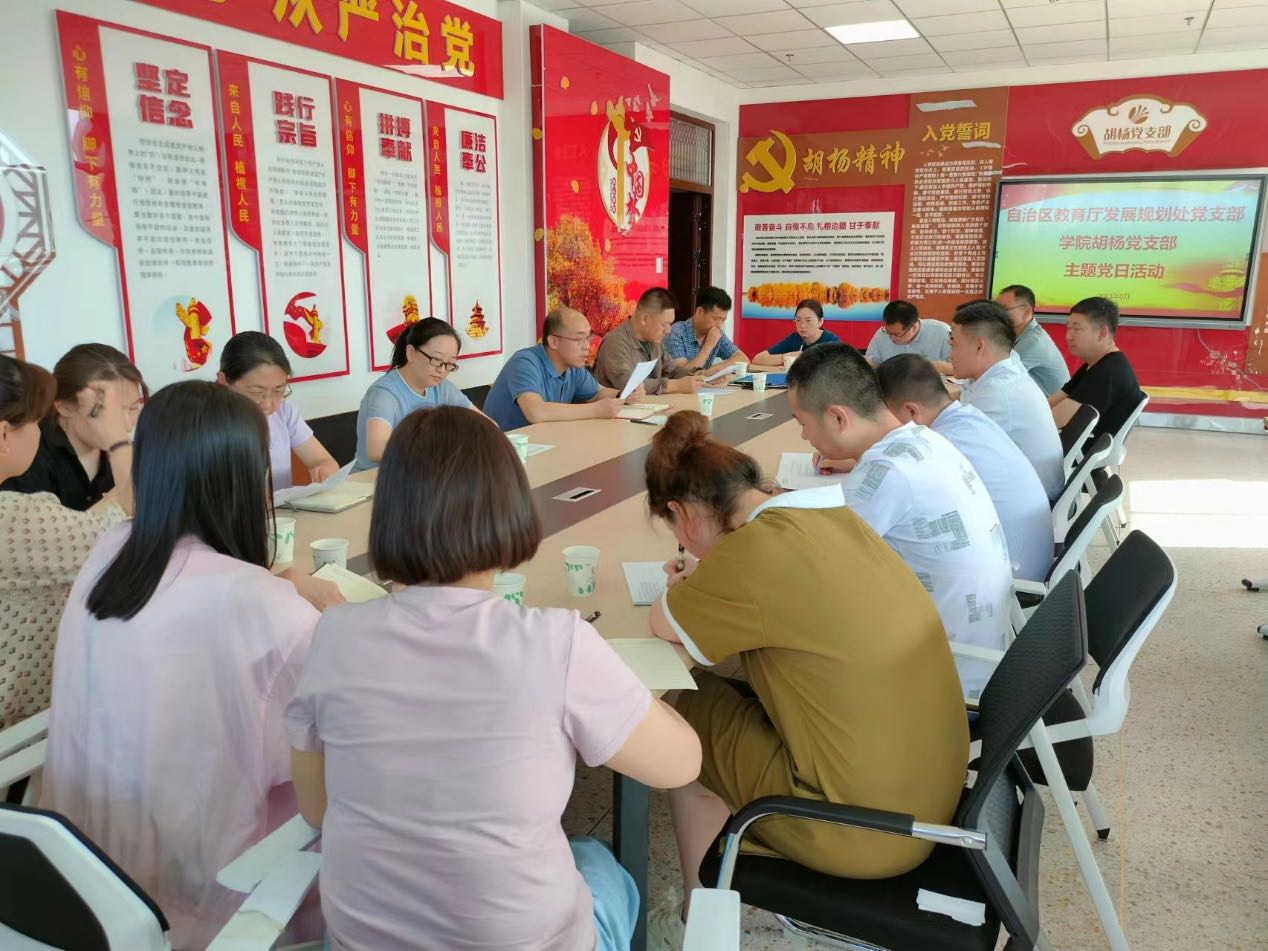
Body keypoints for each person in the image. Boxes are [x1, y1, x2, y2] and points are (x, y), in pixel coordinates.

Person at [284, 406, 701, 951]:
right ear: (511, 506)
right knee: (599, 862)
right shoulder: (557, 643)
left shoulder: (334, 635)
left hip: (359, 941)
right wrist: (618, 686)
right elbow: (679, 764)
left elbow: (317, 810)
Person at [643, 411, 968, 942]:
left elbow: (663, 622)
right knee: (727, 687)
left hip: (862, 833)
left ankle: (695, 925)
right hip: (933, 798)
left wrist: (687, 584)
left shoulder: (749, 554)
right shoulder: (831, 517)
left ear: (681, 514)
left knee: (676, 708)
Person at [41, 381, 323, 949]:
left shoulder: (111, 550)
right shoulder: (258, 605)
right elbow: (330, 748)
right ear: (242, 478)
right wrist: (330, 620)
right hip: (208, 900)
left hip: (83, 877)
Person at [786, 343, 1012, 700]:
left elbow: (809, 568)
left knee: (784, 631)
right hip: (981, 659)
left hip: (944, 685)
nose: (803, 435)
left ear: (838, 418)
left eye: (803, 423)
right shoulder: (924, 438)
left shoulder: (887, 470)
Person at [0, 356, 134, 729]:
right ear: (4, 435)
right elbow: (129, 516)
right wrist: (117, 439)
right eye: (34, 421)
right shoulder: (14, 517)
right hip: (21, 724)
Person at [876, 354, 1054, 582]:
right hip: (1029, 558)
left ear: (911, 411)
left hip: (1013, 578)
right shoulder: (967, 417)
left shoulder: (939, 444)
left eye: (883, 416)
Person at [1, 343, 145, 510]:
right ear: (64, 406)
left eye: (133, 408)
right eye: (109, 411)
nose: (127, 424)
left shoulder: (132, 452)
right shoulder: (25, 455)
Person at [951, 301, 1064, 500]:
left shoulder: (997, 393)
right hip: (1027, 490)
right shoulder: (1005, 368)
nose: (950, 355)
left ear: (979, 346)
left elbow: (952, 453)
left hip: (1031, 501)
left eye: (953, 345)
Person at [483, 307, 645, 430]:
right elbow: (535, 412)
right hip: (501, 450)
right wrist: (595, 410)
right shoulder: (525, 362)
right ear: (554, 342)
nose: (587, 346)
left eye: (588, 338)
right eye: (579, 339)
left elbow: (597, 393)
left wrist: (623, 395)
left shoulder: (573, 366)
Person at [218, 331, 339, 489]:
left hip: (282, 505)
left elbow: (323, 461)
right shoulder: (205, 423)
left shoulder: (284, 411)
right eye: (256, 393)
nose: (269, 405)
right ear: (223, 381)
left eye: (278, 391)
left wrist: (325, 471)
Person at [353, 317, 478, 471]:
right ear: (411, 353)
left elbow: (486, 425)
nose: (442, 370)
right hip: (374, 480)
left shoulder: (442, 387)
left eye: (450, 364)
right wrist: (437, 456)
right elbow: (376, 449)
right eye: (437, 359)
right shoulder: (385, 393)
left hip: (426, 476)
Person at [1049, 296, 1144, 439]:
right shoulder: (1094, 363)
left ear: (1102, 333)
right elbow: (1053, 401)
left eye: (1077, 328)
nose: (1069, 336)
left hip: (1084, 448)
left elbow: (1053, 420)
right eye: (1068, 328)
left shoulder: (1108, 372)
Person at [593, 287, 702, 396]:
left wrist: (697, 374)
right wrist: (676, 385)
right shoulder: (615, 343)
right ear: (645, 319)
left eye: (670, 324)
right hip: (620, 406)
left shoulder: (654, 341)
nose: (668, 330)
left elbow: (671, 370)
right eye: (664, 324)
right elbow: (630, 386)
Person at [995, 284, 1070, 396]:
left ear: (1027, 312)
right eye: (995, 309)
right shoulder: (1013, 333)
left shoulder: (1033, 341)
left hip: (1052, 405)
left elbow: (998, 375)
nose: (996, 314)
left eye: (1004, 309)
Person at [664, 286, 750, 374]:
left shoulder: (716, 333)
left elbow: (743, 359)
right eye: (716, 319)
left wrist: (719, 368)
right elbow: (681, 374)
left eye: (723, 320)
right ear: (700, 311)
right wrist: (708, 346)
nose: (719, 325)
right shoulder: (675, 333)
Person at [864, 299, 951, 372]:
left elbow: (955, 368)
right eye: (888, 332)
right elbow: (872, 362)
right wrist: (867, 363)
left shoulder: (941, 332)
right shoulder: (881, 334)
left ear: (913, 327)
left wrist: (928, 367)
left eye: (896, 334)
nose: (891, 338)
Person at [751, 299, 841, 366]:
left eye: (808, 320)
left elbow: (838, 369)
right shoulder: (794, 338)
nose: (802, 325)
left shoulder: (832, 342)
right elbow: (757, 359)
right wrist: (785, 358)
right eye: (798, 320)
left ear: (820, 321)